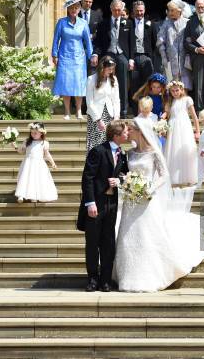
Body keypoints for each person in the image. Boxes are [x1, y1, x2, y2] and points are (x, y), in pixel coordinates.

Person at [113, 118, 204, 292]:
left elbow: (164, 175)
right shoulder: (129, 154)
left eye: (131, 130)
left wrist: (150, 187)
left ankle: (150, 274)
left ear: (139, 131)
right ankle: (128, 276)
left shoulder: (154, 153)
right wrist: (126, 183)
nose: (128, 133)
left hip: (148, 199)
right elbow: (124, 174)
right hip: (131, 200)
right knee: (128, 235)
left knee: (147, 234)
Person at [76, 121, 130, 292]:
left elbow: (126, 174)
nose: (128, 134)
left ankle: (105, 280)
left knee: (108, 243)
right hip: (96, 205)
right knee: (92, 243)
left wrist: (119, 181)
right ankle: (92, 279)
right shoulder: (98, 151)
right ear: (116, 135)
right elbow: (88, 178)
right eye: (126, 132)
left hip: (111, 204)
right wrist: (90, 203)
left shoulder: (122, 154)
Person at [52, 0, 93, 120]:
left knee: (79, 84)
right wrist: (54, 54)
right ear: (68, 9)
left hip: (79, 58)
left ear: (79, 9)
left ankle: (79, 111)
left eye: (76, 7)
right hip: (64, 57)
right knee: (66, 84)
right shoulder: (61, 22)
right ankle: (67, 111)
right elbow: (55, 40)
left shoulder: (83, 23)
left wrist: (91, 56)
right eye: (72, 8)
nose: (74, 10)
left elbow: (88, 42)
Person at [92, 0, 134, 118]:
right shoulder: (103, 24)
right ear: (111, 10)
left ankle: (123, 112)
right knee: (107, 82)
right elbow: (98, 42)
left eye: (119, 10)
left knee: (123, 84)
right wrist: (95, 54)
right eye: (115, 10)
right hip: (108, 53)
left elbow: (132, 43)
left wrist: (131, 59)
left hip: (122, 55)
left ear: (122, 10)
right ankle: (106, 111)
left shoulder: (128, 23)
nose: (117, 12)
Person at [164, 80, 199, 187]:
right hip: (173, 128)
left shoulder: (187, 100)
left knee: (186, 150)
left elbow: (194, 117)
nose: (175, 93)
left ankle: (188, 176)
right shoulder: (170, 102)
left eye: (177, 90)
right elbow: (167, 115)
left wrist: (197, 131)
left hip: (184, 127)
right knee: (173, 151)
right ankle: (174, 177)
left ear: (182, 90)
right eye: (172, 91)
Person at [12, 123, 58, 203]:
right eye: (32, 132)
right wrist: (15, 146)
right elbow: (21, 151)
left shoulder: (44, 143)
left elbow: (47, 154)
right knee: (25, 178)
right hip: (28, 163)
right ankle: (21, 195)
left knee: (36, 179)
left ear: (41, 133)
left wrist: (52, 163)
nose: (33, 134)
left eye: (35, 133)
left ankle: (34, 195)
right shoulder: (27, 141)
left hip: (39, 164)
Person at [85, 56, 121, 152]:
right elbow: (89, 102)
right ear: (102, 68)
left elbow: (116, 100)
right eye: (109, 69)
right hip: (95, 116)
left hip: (110, 115)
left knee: (108, 144)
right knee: (96, 145)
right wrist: (98, 120)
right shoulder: (91, 79)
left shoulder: (114, 79)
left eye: (112, 69)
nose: (111, 71)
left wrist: (116, 117)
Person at [157, 0, 192, 91]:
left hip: (185, 62)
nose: (170, 12)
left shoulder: (188, 23)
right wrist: (164, 57)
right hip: (170, 61)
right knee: (171, 88)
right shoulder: (166, 23)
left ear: (179, 10)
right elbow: (160, 42)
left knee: (185, 87)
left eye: (172, 10)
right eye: (169, 10)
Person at [129, 1, 156, 115]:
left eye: (141, 11)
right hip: (133, 57)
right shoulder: (128, 24)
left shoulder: (150, 24)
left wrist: (151, 58)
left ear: (144, 11)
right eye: (137, 11)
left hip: (146, 57)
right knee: (135, 85)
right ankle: (136, 112)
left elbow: (154, 42)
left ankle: (148, 111)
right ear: (133, 11)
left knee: (147, 85)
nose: (139, 13)